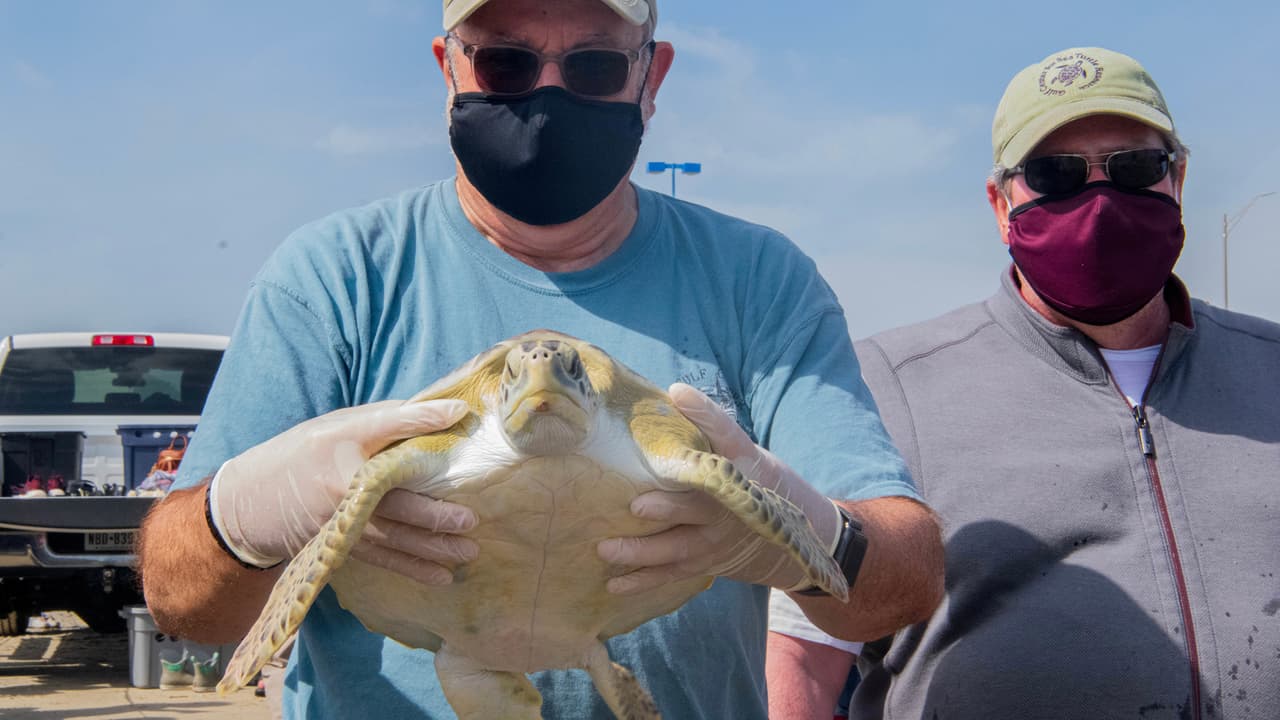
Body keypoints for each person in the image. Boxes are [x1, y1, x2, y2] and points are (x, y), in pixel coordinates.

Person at [136, 1, 945, 718]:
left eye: (593, 64)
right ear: (447, 67)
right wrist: (246, 517)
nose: (545, 95)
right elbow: (180, 605)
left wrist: (795, 536)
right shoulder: (335, 278)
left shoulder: (758, 281)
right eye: (505, 61)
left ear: (651, 77)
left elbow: (903, 585)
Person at [765, 46, 1280, 720]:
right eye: (1055, 174)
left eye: (1133, 167)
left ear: (1177, 178)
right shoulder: (887, 389)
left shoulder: (1267, 367)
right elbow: (799, 661)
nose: (1099, 200)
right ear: (1000, 201)